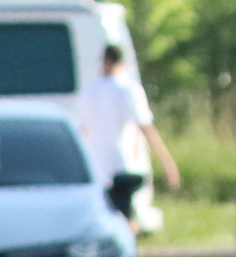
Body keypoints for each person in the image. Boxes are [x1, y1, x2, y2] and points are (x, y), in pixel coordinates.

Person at [74, 43, 182, 194]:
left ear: (103, 61)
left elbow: (82, 130)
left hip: (95, 167)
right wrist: (167, 163)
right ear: (122, 63)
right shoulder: (129, 90)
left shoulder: (87, 92)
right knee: (128, 206)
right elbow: (146, 128)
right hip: (124, 165)